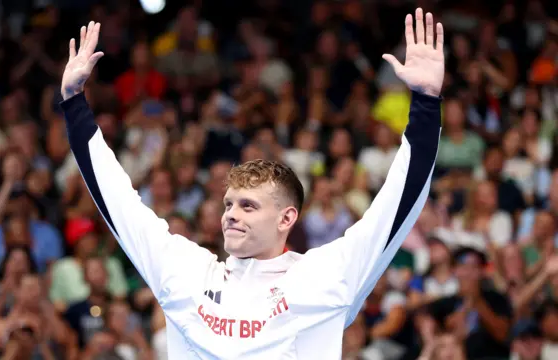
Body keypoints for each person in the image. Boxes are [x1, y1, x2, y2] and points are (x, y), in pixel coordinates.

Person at [59, 8, 444, 359]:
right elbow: (117, 201)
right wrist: (74, 103)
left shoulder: (323, 277)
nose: (231, 215)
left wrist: (426, 103)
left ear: (286, 218)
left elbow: (396, 206)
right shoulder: (187, 273)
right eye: (229, 204)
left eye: (248, 206)